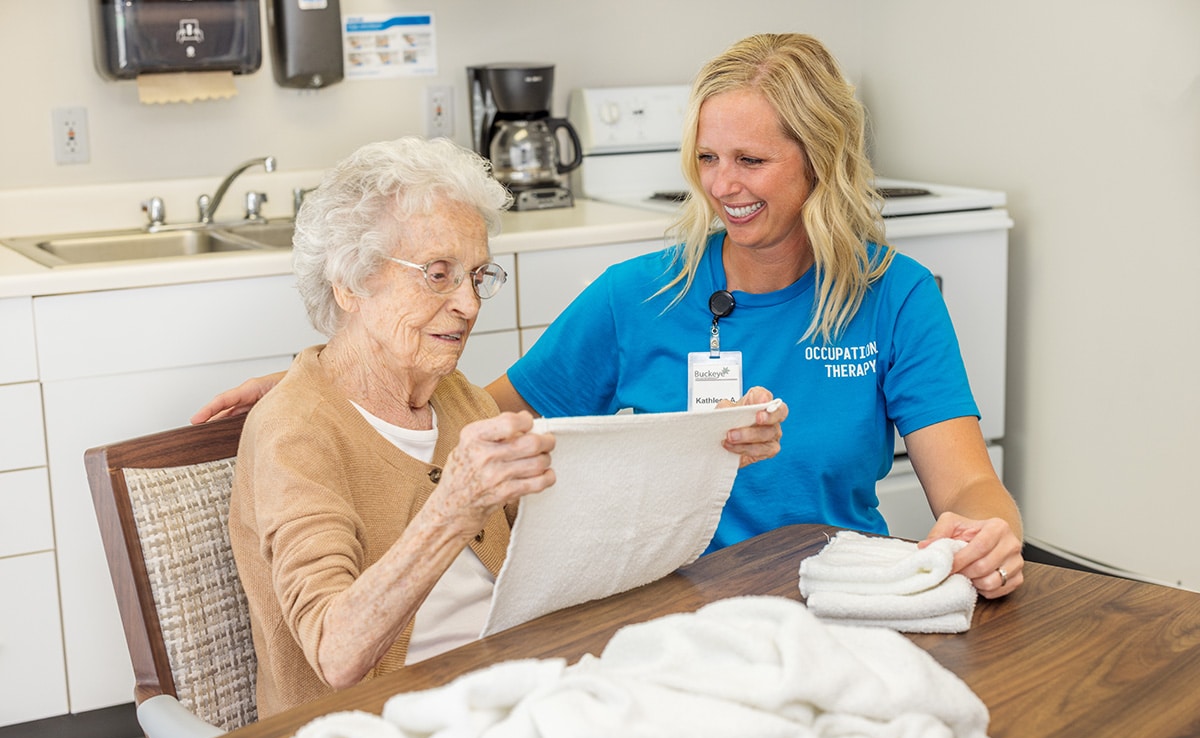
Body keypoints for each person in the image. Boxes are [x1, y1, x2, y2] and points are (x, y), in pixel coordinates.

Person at [197, 33, 1022, 599]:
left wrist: (987, 534)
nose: (723, 185)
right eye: (706, 158)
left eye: (751, 160)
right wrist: (337, 383)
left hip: (835, 597)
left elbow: (969, 483)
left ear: (821, 161)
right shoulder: (639, 297)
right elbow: (473, 418)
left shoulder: (894, 296)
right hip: (669, 613)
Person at [227, 137, 563, 717]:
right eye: (438, 274)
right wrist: (453, 508)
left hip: (507, 698)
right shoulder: (296, 432)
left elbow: (550, 566)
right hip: (378, 734)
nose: (469, 304)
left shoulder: (458, 399)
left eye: (477, 276)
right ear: (351, 282)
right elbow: (336, 652)